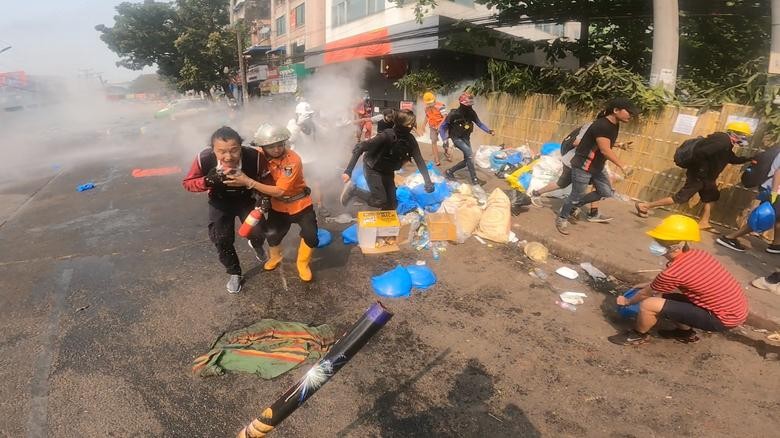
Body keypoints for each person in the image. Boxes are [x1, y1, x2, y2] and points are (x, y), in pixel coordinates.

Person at [610, 214, 749, 346]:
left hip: (722, 318)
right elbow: (671, 281)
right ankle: (685, 333)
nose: (655, 244)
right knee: (663, 297)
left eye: (660, 241)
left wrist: (627, 301)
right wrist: (648, 285)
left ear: (676, 246)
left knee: (649, 304)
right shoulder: (699, 255)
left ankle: (637, 335)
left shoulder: (674, 272)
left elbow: (646, 293)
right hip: (734, 309)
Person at [226, 124, 319, 282]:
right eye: (271, 146)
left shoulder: (293, 160)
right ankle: (275, 257)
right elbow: (238, 152)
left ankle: (302, 263)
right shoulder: (258, 155)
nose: (277, 149)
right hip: (278, 206)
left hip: (300, 204)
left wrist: (248, 181)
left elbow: (280, 191)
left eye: (280, 144)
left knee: (311, 235)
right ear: (263, 146)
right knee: (272, 234)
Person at [182, 126, 268, 294]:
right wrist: (207, 181)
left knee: (259, 231)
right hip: (220, 201)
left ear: (241, 147)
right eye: (221, 152)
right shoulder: (204, 158)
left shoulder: (254, 156)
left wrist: (265, 197)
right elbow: (188, 182)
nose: (228, 157)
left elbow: (267, 178)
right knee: (221, 239)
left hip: (247, 199)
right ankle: (234, 272)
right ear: (213, 150)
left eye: (234, 151)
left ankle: (256, 244)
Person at [635, 121, 754, 230]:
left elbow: (731, 158)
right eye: (744, 135)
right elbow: (700, 153)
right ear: (735, 134)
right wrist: (702, 171)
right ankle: (645, 205)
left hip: (707, 177)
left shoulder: (726, 143)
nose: (745, 138)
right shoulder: (722, 141)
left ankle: (704, 222)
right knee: (681, 198)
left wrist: (748, 159)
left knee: (711, 197)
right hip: (700, 176)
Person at [555, 98, 637, 235]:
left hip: (597, 166)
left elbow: (603, 143)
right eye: (628, 112)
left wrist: (619, 145)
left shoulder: (614, 124)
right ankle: (562, 217)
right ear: (616, 110)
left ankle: (574, 205)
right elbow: (605, 150)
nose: (631, 115)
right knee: (576, 195)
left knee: (605, 192)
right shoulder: (602, 125)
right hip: (583, 166)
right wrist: (623, 166)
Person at [531, 123, 632, 222]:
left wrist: (618, 145)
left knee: (600, 187)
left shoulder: (607, 128)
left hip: (589, 164)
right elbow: (577, 142)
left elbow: (602, 143)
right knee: (563, 184)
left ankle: (592, 212)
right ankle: (539, 195)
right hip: (576, 162)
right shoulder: (592, 126)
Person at [340, 109, 434, 210]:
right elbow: (360, 147)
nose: (411, 127)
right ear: (400, 123)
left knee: (392, 205)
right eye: (409, 124)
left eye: (412, 124)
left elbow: (419, 160)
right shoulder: (386, 136)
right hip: (373, 168)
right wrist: (348, 171)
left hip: (388, 170)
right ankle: (353, 190)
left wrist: (428, 181)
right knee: (380, 200)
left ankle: (384, 224)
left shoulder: (410, 140)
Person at [717, 142, 780, 253]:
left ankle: (776, 244)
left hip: (771, 188)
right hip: (775, 190)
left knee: (777, 217)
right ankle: (730, 238)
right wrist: (774, 193)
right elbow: (778, 172)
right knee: (763, 217)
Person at [440, 92, 495, 185]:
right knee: (470, 155)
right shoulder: (453, 114)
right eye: (467, 105)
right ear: (462, 104)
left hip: (466, 138)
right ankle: (475, 180)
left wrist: (489, 131)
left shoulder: (471, 113)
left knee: (467, 161)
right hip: (456, 138)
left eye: (471, 105)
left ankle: (449, 171)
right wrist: (445, 139)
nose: (470, 107)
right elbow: (442, 127)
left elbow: (479, 123)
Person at [419, 91, 450, 166]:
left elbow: (445, 117)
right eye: (428, 103)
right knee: (433, 142)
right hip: (432, 127)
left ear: (434, 100)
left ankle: (446, 151)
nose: (429, 104)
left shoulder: (441, 106)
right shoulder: (426, 108)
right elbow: (427, 116)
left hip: (442, 127)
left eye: (430, 103)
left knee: (445, 141)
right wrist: (423, 126)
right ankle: (437, 159)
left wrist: (440, 125)